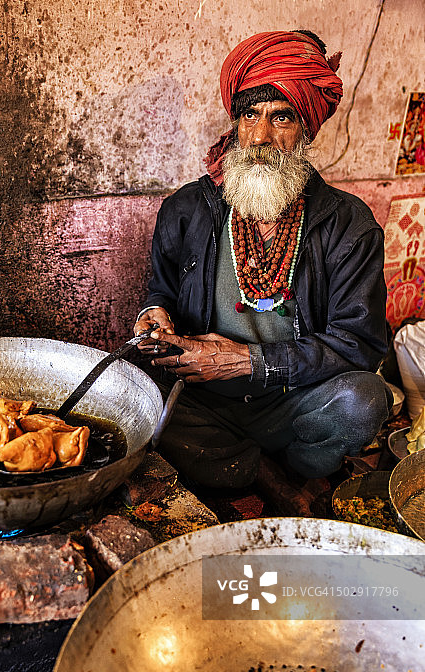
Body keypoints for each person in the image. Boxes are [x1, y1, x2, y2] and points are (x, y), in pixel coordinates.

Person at [133, 30, 392, 494]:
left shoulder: (349, 225)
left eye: (282, 118)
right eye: (249, 114)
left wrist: (248, 362)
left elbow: (359, 345)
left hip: (292, 398)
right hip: (202, 399)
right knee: (138, 397)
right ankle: (269, 476)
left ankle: (281, 467)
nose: (259, 136)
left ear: (307, 128)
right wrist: (154, 316)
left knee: (364, 401)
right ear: (235, 121)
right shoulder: (186, 209)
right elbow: (162, 290)